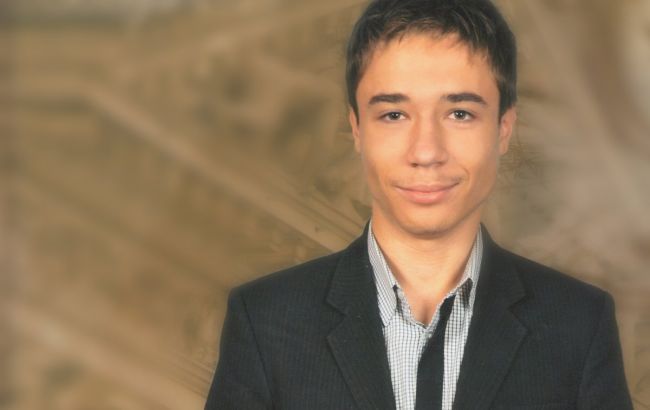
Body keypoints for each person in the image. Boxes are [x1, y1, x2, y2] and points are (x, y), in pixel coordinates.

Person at [204, 0, 633, 409]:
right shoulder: (265, 322)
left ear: (504, 128)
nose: (426, 152)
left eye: (459, 113)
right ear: (357, 128)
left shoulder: (580, 324)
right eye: (394, 115)